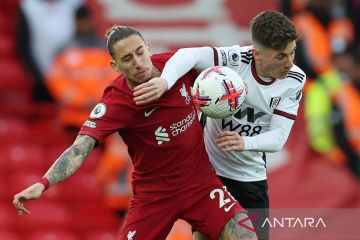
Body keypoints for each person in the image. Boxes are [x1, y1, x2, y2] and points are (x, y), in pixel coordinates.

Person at [13, 26, 257, 240]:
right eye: (127, 58)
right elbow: (81, 147)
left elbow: (228, 61)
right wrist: (43, 183)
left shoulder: (176, 66)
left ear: (148, 48)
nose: (138, 62)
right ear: (115, 65)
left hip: (201, 185)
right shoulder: (115, 102)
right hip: (154, 197)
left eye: (140, 52)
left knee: (246, 235)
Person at [133, 11, 306, 240]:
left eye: (292, 52)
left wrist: (244, 142)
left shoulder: (294, 79)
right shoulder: (235, 59)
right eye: (280, 56)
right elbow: (189, 54)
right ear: (257, 53)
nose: (289, 63)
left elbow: (278, 137)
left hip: (250, 177)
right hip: (210, 174)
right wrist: (165, 81)